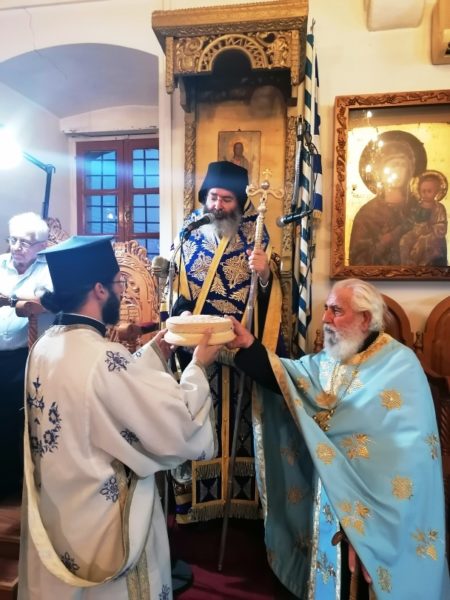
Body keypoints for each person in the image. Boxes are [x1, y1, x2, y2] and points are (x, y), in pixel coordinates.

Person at [18, 235, 221, 599]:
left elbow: (104, 393)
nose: (122, 290)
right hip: (105, 516)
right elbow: (174, 424)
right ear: (99, 290)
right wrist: (198, 368)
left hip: (61, 511)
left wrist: (156, 350)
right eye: (118, 283)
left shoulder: (45, 346)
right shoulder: (102, 358)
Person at [227, 279, 450, 599]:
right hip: (334, 492)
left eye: (336, 311)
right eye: (326, 309)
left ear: (365, 319)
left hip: (385, 503)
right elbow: (291, 379)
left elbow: (408, 453)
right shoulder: (332, 358)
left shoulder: (400, 365)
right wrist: (250, 346)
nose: (325, 319)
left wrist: (367, 514)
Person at [169, 160, 282, 523]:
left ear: (240, 202)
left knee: (240, 422)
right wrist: (184, 314)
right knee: (197, 416)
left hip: (238, 349)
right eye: (213, 197)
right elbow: (178, 289)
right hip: (198, 349)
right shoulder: (189, 231)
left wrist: (264, 275)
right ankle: (196, 505)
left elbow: (269, 297)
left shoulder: (257, 233)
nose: (217, 205)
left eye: (226, 199)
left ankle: (240, 503)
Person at [0, 211, 52, 499]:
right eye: (13, 240)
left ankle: (16, 485)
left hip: (27, 356)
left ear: (41, 246)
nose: (16, 247)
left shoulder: (48, 270)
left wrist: (10, 301)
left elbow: (45, 302)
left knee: (15, 418)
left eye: (25, 242)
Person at [349, 130, 426, 265]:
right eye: (392, 165)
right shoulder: (367, 214)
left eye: (402, 165)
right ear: (380, 171)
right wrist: (387, 240)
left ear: (410, 170)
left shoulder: (421, 209)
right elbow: (358, 261)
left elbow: (436, 256)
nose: (397, 171)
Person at [399, 170, 448, 266]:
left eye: (429, 191)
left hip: (433, 236)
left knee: (421, 242)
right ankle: (406, 265)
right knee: (404, 240)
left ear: (436, 192)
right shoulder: (417, 206)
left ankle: (420, 266)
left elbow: (441, 227)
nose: (425, 194)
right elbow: (411, 220)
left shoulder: (439, 208)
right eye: (423, 191)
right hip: (416, 232)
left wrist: (428, 228)